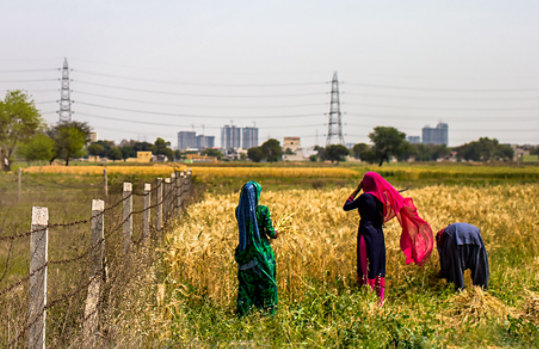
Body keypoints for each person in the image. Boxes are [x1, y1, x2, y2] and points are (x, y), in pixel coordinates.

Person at [343, 172, 434, 305]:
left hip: (366, 233)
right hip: (378, 235)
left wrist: (356, 190)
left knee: (365, 263)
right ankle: (379, 302)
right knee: (378, 263)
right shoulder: (382, 200)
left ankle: (366, 297)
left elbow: (346, 206)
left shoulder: (365, 197)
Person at [235, 181, 279, 316]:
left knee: (247, 284)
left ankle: (244, 312)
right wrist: (276, 232)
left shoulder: (239, 211)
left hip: (245, 251)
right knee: (267, 283)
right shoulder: (262, 210)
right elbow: (271, 233)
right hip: (262, 252)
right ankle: (267, 311)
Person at [436, 223, 489, 291]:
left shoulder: (441, 235)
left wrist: (444, 272)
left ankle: (458, 290)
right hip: (475, 235)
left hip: (454, 237)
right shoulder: (449, 230)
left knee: (455, 265)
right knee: (479, 265)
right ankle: (481, 290)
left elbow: (445, 258)